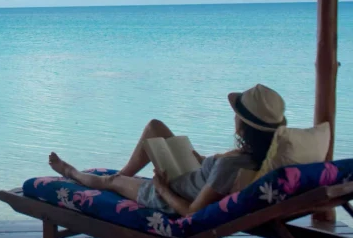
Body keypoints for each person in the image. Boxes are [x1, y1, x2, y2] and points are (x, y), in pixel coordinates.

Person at [47, 84, 286, 217]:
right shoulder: (263, 156)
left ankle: (72, 173)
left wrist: (161, 188)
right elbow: (219, 178)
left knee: (113, 180)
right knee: (155, 127)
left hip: (170, 194)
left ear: (243, 125)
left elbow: (192, 213)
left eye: (237, 115)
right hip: (194, 177)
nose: (235, 117)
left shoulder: (231, 165)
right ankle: (126, 176)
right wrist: (202, 160)